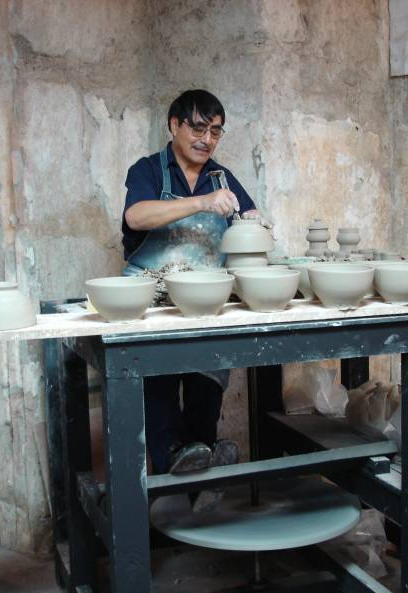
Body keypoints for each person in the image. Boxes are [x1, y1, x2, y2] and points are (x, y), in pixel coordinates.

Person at [121, 90, 267, 509]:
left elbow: (248, 222)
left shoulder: (223, 177)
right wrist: (201, 203)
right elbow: (136, 216)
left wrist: (254, 222)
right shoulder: (148, 170)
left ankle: (199, 466)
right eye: (199, 128)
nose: (207, 139)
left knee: (206, 386)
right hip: (152, 298)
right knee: (160, 389)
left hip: (204, 300)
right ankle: (172, 479)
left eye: (215, 131)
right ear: (175, 125)